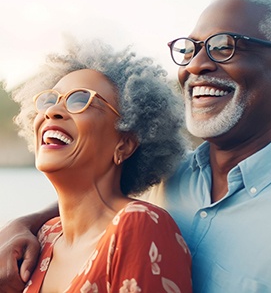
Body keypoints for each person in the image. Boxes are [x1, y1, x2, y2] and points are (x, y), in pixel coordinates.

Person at [1, 0, 271, 291]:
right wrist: (26, 224)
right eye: (189, 49)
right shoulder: (166, 177)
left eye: (224, 46)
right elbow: (92, 201)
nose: (195, 65)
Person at [0, 39, 192, 292]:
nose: (53, 111)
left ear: (124, 144)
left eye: (80, 100)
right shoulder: (42, 237)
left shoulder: (138, 225)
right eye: (50, 100)